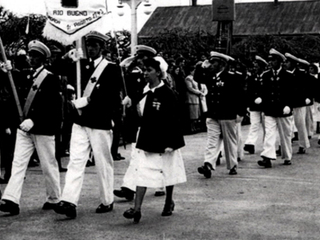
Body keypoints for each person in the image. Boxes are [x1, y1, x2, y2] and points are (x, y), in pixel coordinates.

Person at [54, 31, 122, 219]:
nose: (90, 49)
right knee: (76, 161)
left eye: (94, 45)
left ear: (102, 47)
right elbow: (55, 69)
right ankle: (69, 201)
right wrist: (67, 57)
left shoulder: (111, 68)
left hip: (99, 121)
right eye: (88, 45)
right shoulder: (79, 65)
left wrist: (86, 101)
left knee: (102, 162)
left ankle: (107, 199)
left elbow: (111, 96)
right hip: (80, 121)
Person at [0, 40, 62, 215]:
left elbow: (52, 106)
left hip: (42, 128)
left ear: (43, 59)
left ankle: (54, 198)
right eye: (30, 55)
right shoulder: (26, 75)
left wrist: (34, 120)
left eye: (36, 56)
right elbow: (12, 85)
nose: (32, 58)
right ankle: (11, 199)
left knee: (48, 164)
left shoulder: (50, 78)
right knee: (18, 163)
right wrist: (5, 71)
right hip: (24, 128)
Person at [123, 58, 186, 223]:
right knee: (142, 171)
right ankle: (136, 209)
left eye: (149, 70)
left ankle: (168, 201)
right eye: (144, 70)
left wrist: (172, 143)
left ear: (158, 72)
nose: (145, 73)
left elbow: (175, 119)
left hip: (165, 140)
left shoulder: (168, 93)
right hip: (146, 139)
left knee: (168, 171)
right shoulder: (142, 92)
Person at [114, 45, 166, 201]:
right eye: (138, 57)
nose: (140, 61)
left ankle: (161, 184)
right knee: (136, 154)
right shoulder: (136, 72)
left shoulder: (156, 76)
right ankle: (129, 187)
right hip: (139, 121)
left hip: (154, 122)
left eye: (143, 58)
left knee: (157, 156)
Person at [195, 51, 246, 177]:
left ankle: (232, 165)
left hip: (227, 114)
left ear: (222, 64)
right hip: (213, 114)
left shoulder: (232, 77)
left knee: (229, 141)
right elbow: (197, 77)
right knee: (212, 140)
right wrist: (201, 66)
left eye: (214, 62)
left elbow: (241, 95)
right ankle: (208, 164)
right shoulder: (210, 76)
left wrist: (241, 112)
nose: (211, 64)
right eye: (211, 62)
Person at [257, 49, 294, 168]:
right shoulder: (266, 75)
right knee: (269, 134)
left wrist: (289, 105)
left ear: (279, 62)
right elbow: (264, 91)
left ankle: (287, 156)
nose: (271, 62)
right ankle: (267, 158)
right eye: (270, 60)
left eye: (273, 60)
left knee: (285, 135)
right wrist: (261, 99)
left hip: (283, 110)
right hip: (270, 109)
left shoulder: (288, 75)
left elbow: (292, 93)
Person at [284, 53, 313, 154]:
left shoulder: (301, 74)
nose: (285, 64)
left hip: (299, 103)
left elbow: (308, 88)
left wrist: (308, 98)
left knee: (300, 124)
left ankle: (303, 145)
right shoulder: (284, 74)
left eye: (287, 62)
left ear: (293, 63)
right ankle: (284, 146)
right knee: (286, 126)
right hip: (287, 103)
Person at [243, 55, 268, 154]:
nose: (255, 68)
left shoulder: (267, 77)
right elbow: (249, 92)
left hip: (265, 105)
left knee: (267, 126)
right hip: (254, 105)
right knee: (254, 125)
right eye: (254, 66)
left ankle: (267, 145)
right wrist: (249, 104)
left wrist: (262, 98)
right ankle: (250, 144)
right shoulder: (252, 78)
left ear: (262, 67)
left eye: (257, 66)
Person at [184, 64, 204, 133]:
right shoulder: (188, 78)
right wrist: (198, 92)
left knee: (196, 114)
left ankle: (196, 127)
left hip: (196, 98)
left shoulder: (195, 78)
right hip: (191, 98)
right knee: (192, 115)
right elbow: (190, 88)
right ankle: (192, 128)